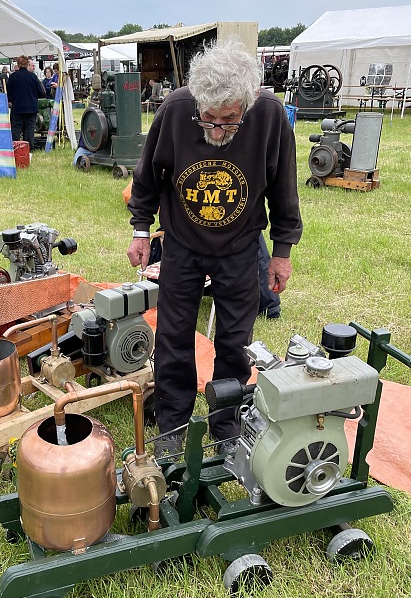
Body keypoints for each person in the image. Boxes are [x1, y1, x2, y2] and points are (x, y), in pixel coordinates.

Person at [126, 39, 302, 458]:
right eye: (209, 119)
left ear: (248, 103)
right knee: (172, 336)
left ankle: (227, 427)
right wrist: (139, 228)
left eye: (229, 120)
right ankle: (172, 425)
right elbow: (148, 174)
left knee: (236, 342)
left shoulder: (270, 116)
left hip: (241, 246)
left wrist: (281, 252)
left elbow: (283, 187)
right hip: (182, 244)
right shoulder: (175, 108)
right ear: (197, 104)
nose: (218, 130)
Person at [6, 55, 46, 150]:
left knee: (16, 129)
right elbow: (41, 93)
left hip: (18, 107)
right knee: (30, 129)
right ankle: (29, 149)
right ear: (27, 64)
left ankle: (16, 148)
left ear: (18, 64)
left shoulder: (13, 77)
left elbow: (8, 92)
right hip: (31, 108)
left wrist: (11, 100)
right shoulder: (33, 77)